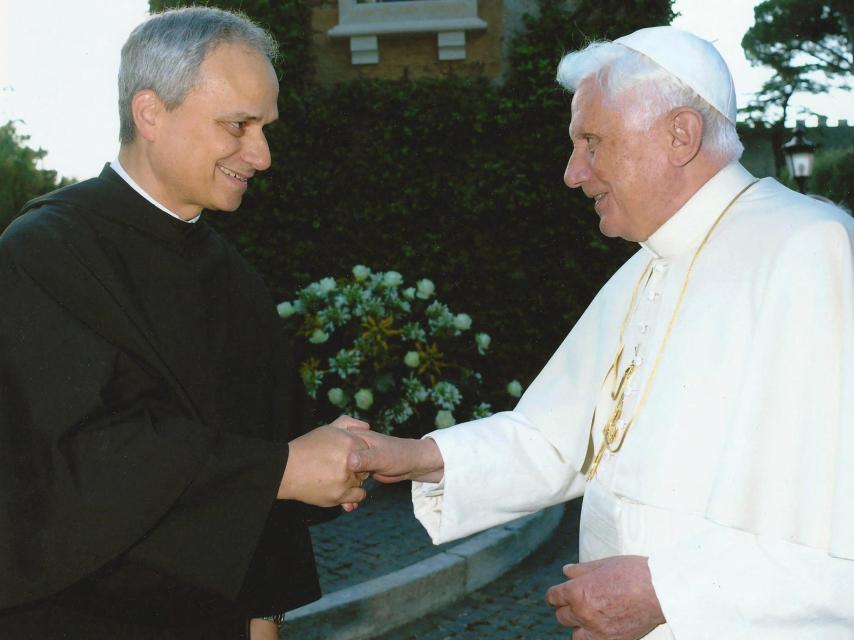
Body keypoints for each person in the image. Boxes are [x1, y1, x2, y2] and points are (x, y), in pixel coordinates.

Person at [349, 26, 854, 638]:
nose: (572, 173)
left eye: (592, 142)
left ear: (680, 135)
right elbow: (556, 436)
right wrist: (416, 457)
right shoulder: (645, 268)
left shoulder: (810, 248)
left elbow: (836, 535)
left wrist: (670, 592)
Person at [0, 7, 370, 640]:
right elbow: (70, 463)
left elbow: (266, 452)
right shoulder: (42, 254)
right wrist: (279, 470)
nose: (262, 154)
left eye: (265, 128)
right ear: (150, 113)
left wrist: (265, 617)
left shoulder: (232, 272)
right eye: (238, 125)